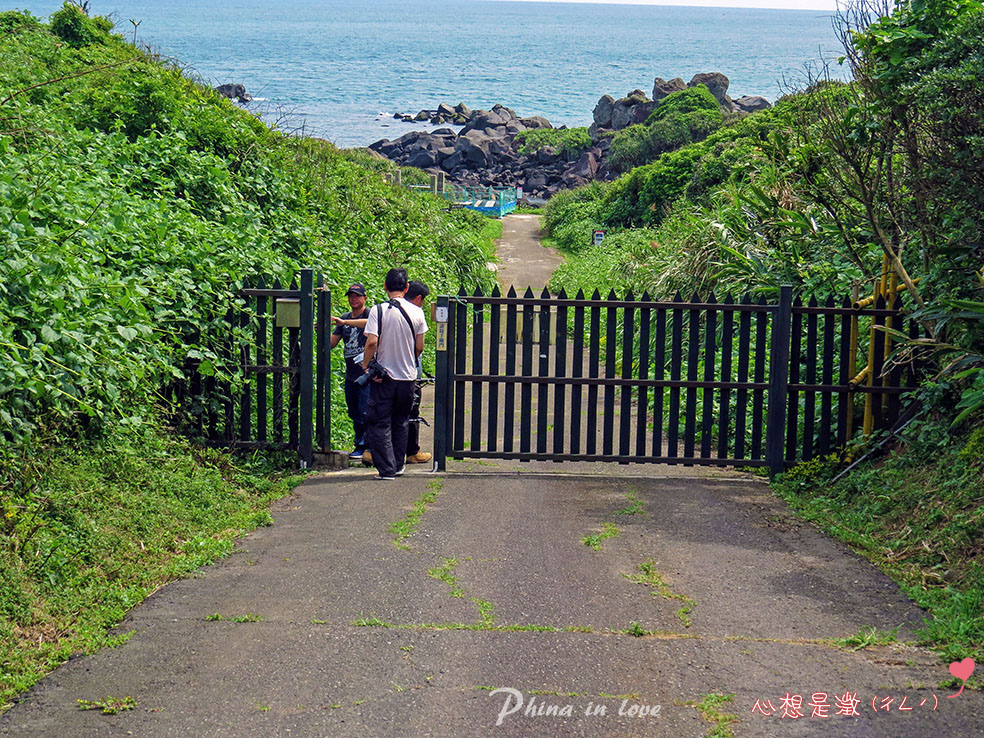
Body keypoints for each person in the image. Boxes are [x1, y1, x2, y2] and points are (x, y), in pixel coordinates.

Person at [361, 268, 428, 480]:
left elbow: (371, 342)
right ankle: (398, 465)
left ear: (385, 286)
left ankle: (386, 469)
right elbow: (420, 346)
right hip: (408, 377)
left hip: (385, 378)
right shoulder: (417, 312)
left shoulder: (377, 311)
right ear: (406, 288)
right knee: (401, 421)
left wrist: (365, 365)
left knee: (379, 422)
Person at [330, 283, 370, 460]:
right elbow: (332, 343)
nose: (353, 299)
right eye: (350, 296)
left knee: (365, 411)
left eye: (357, 296)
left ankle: (365, 446)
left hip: (366, 373)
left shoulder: (370, 314)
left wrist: (345, 322)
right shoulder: (344, 318)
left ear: (364, 298)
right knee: (353, 411)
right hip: (350, 373)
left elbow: (371, 324)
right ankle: (360, 444)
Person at [404, 280, 432, 464]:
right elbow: (419, 347)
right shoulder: (416, 313)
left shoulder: (388, 309)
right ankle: (412, 452)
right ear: (419, 298)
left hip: (390, 372)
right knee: (412, 412)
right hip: (410, 373)